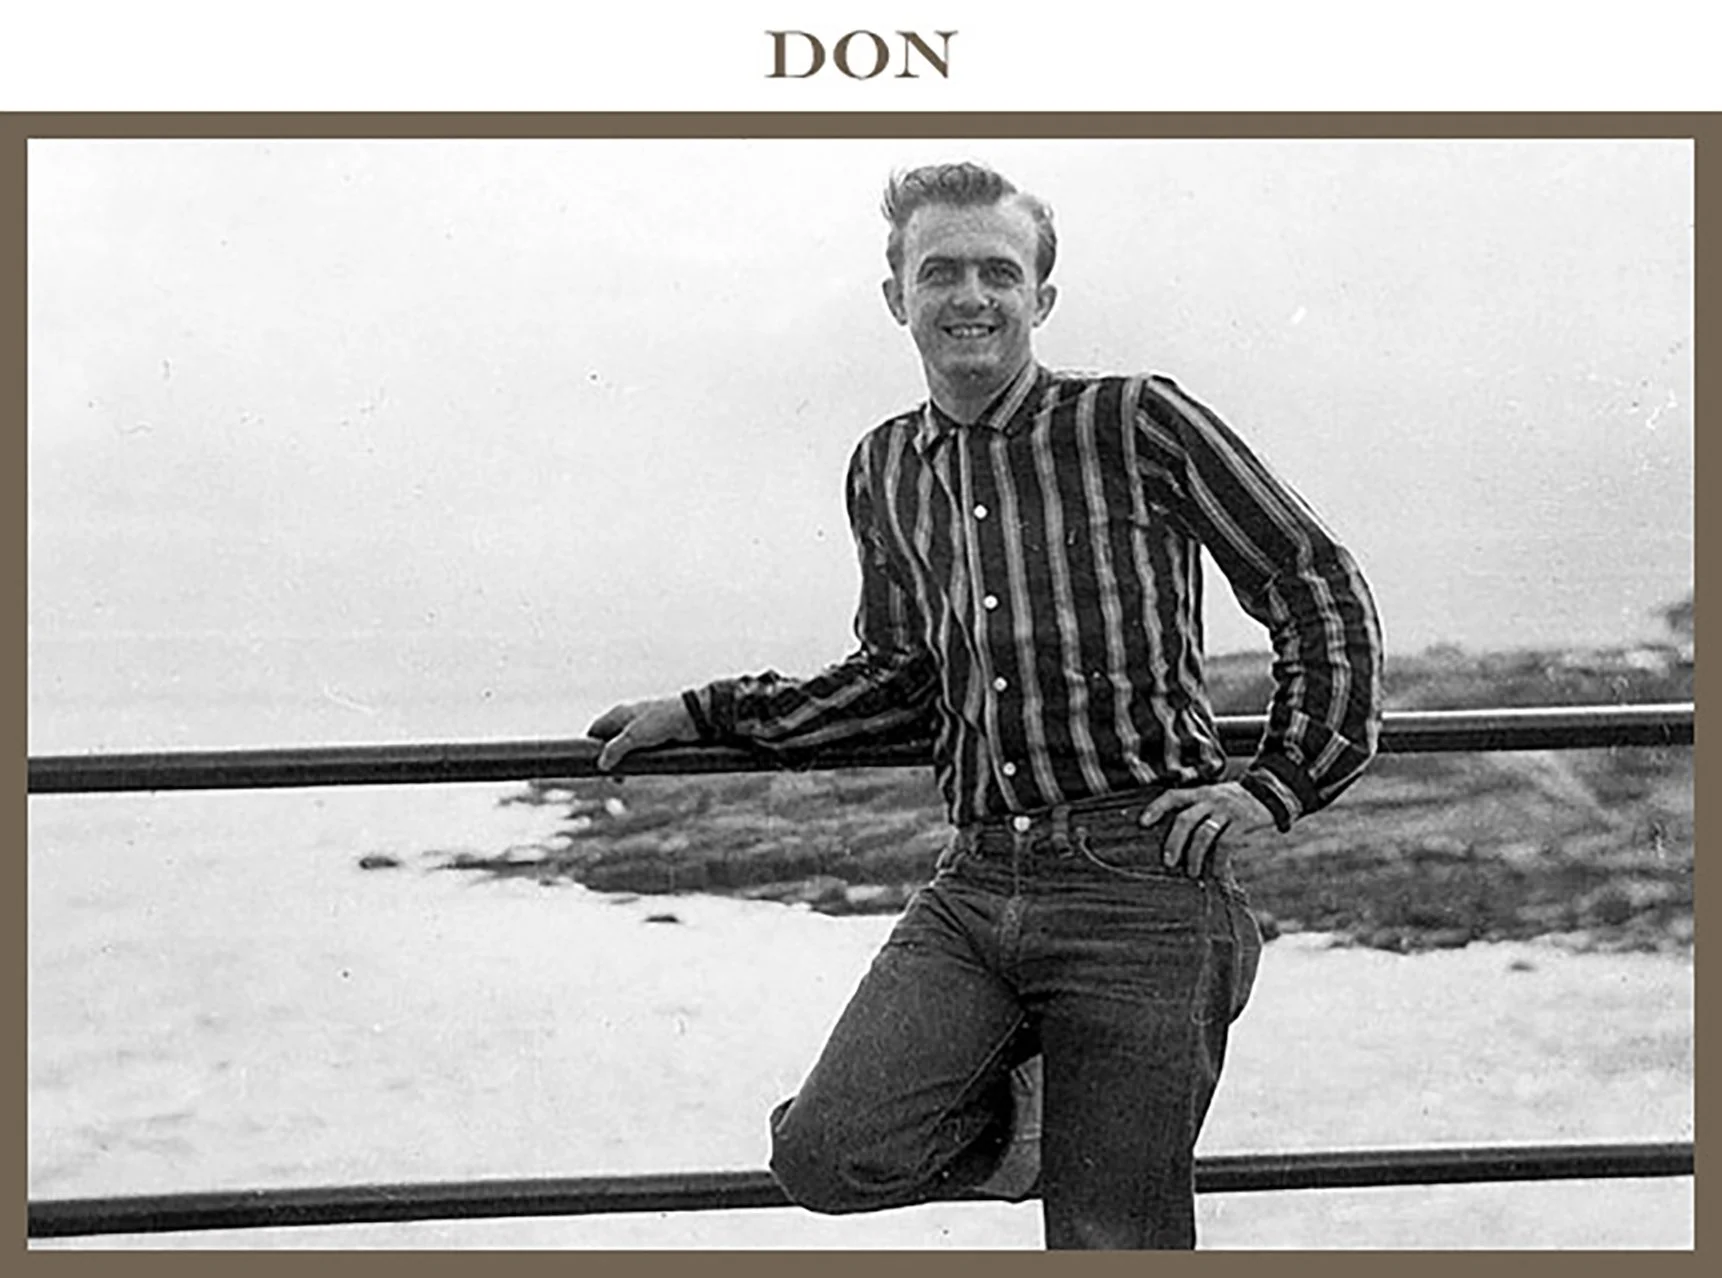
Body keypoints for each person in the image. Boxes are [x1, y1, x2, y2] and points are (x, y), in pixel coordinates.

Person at [587, 161, 1383, 1249]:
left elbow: (1313, 582)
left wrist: (1281, 786)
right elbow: (900, 677)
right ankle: (1045, 1128)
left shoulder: (1134, 421)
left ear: (1041, 299)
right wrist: (706, 710)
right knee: (827, 1151)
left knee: (1113, 1242)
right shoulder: (885, 466)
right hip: (976, 881)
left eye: (999, 273)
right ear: (896, 297)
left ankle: (1099, 1136)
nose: (971, 295)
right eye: (941, 272)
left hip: (1142, 887)